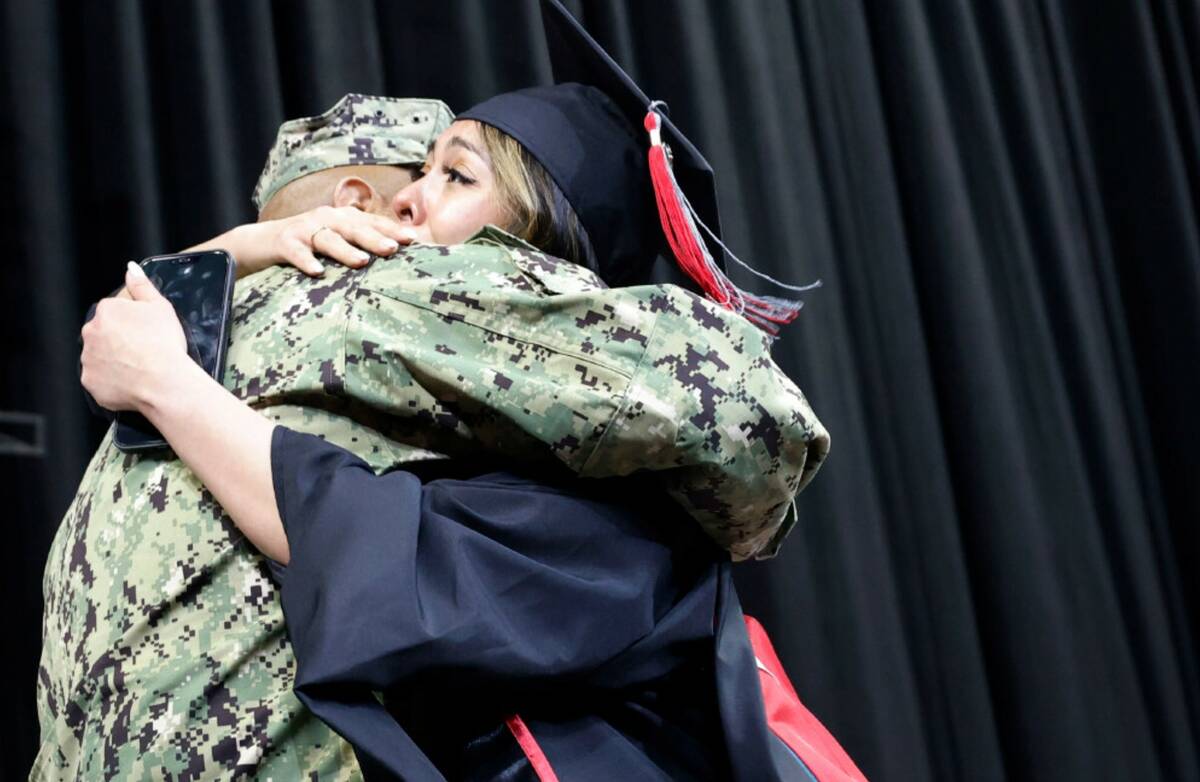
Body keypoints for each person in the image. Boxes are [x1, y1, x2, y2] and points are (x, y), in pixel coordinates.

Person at [69, 2, 860, 780]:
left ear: (534, 255)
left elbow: (754, 418)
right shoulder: (371, 322)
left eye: (454, 175)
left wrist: (172, 374)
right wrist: (247, 248)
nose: (407, 199)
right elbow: (120, 340)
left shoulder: (436, 292)